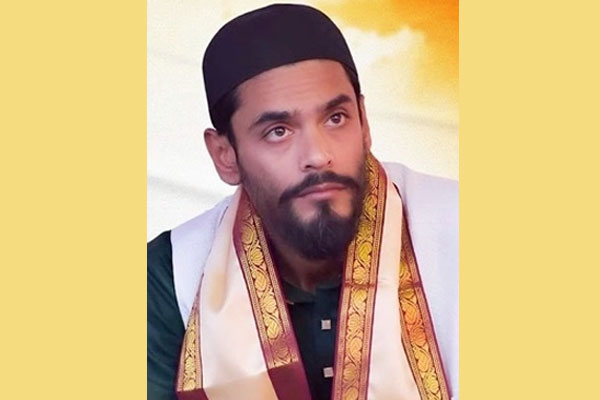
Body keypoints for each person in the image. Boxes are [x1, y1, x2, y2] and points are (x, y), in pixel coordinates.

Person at [148, 4, 458, 400]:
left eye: (336, 118)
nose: (318, 155)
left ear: (364, 122)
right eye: (278, 131)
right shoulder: (170, 278)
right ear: (225, 155)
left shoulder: (460, 230)